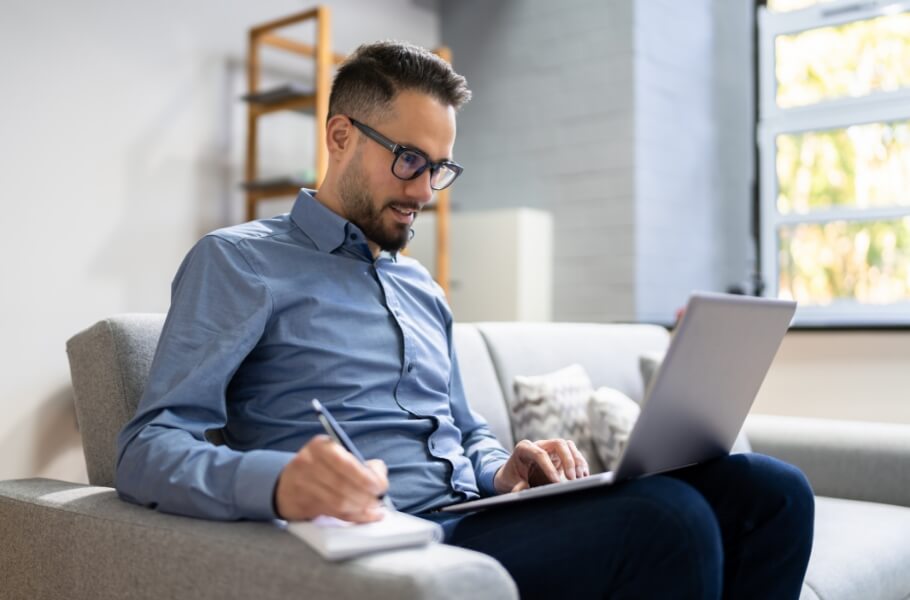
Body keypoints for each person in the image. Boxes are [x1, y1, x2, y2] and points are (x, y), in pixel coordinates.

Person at [115, 41, 814, 599]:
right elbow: (147, 448)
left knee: (772, 491)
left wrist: (502, 470)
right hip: (394, 537)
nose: (425, 191)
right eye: (409, 161)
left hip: (476, 516)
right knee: (671, 522)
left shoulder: (421, 287)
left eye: (440, 169)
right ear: (340, 136)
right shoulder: (238, 263)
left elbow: (466, 431)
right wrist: (276, 481)